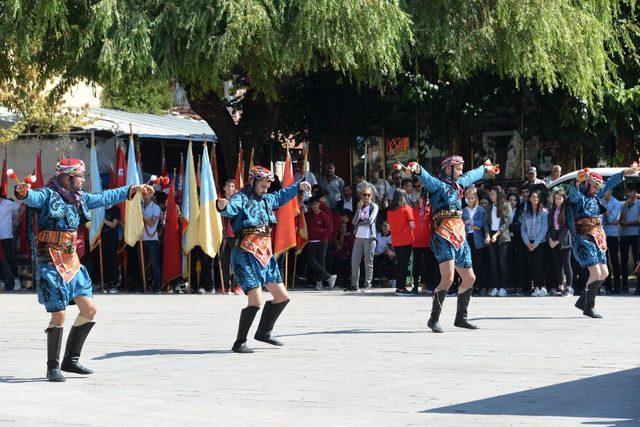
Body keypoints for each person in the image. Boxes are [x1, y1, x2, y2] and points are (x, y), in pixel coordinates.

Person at [14, 158, 152, 382]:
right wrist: (22, 192)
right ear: (68, 177)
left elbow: (105, 197)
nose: (82, 181)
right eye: (80, 176)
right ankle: (53, 367)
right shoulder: (48, 194)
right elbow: (31, 197)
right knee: (58, 313)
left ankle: (71, 360)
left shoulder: (80, 198)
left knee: (89, 310)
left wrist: (132, 189)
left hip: (71, 259)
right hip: (49, 259)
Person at [216, 165, 311, 353]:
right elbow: (230, 208)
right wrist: (223, 206)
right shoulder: (240, 198)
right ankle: (239, 342)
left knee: (282, 296)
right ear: (252, 182)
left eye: (268, 183)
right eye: (263, 183)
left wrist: (299, 186)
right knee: (256, 300)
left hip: (266, 255)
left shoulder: (268, 199)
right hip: (245, 254)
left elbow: (282, 195)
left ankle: (264, 332)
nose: (266, 186)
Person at [405, 156, 498, 332]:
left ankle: (461, 318)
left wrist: (486, 168)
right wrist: (417, 168)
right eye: (459, 168)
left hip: (459, 234)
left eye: (462, 168)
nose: (462, 171)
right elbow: (426, 178)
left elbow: (472, 175)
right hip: (443, 235)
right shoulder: (438, 185)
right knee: (447, 278)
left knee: (470, 278)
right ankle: (434, 319)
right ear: (448, 169)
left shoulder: (460, 183)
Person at [567, 166, 636, 317]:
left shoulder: (597, 196)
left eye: (599, 186)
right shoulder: (579, 197)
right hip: (584, 237)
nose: (597, 188)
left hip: (598, 235)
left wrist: (624, 173)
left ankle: (583, 300)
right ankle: (589, 307)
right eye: (594, 185)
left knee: (604, 273)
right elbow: (572, 193)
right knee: (595, 272)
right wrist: (578, 181)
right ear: (587, 184)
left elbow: (610, 183)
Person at [346, 187, 379, 292]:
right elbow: (353, 221)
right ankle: (354, 284)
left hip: (369, 237)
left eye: (368, 195)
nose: (366, 197)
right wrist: (359, 209)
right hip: (358, 237)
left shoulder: (374, 206)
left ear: (371, 196)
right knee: (354, 261)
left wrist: (359, 223)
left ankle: (367, 284)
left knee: (368, 262)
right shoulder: (360, 207)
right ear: (361, 196)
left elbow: (370, 220)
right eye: (364, 195)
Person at [484, 186, 512, 297]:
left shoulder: (506, 206)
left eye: (493, 194)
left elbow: (507, 222)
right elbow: (486, 222)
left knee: (502, 263)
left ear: (498, 194)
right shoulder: (489, 207)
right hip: (491, 237)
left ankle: (503, 287)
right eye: (490, 194)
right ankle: (495, 286)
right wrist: (487, 234)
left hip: (502, 238)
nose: (491, 196)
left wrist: (496, 234)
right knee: (493, 263)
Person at [304, 196, 337, 290]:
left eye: (316, 204)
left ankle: (319, 282)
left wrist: (318, 231)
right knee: (311, 260)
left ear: (319, 204)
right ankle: (329, 277)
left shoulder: (323, 215)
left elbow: (329, 229)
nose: (314, 206)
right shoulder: (307, 215)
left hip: (322, 241)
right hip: (311, 241)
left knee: (321, 261)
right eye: (312, 204)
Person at [521, 190, 549, 296]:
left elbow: (544, 228)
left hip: (540, 242)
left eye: (537, 197)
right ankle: (536, 286)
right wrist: (528, 243)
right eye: (533, 197)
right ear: (529, 199)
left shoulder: (544, 212)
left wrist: (536, 243)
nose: (535, 199)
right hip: (529, 242)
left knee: (539, 265)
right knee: (532, 265)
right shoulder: (526, 213)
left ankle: (543, 286)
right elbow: (523, 229)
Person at [386, 189, 414, 295]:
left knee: (399, 264)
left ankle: (399, 287)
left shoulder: (390, 210)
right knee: (404, 264)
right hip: (406, 239)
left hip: (396, 240)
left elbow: (389, 226)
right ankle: (401, 288)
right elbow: (412, 225)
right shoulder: (407, 208)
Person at [547, 189, 573, 296]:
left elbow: (567, 228)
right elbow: (549, 227)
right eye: (556, 198)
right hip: (553, 238)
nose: (558, 200)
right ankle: (560, 287)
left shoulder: (567, 210)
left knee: (567, 264)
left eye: (560, 198)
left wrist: (558, 241)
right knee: (558, 265)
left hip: (564, 240)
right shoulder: (551, 210)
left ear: (563, 199)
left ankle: (569, 288)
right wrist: (550, 239)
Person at [220, 179, 242, 295]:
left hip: (235, 236)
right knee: (224, 261)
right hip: (224, 237)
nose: (230, 188)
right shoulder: (220, 202)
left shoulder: (237, 201)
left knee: (236, 262)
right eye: (228, 186)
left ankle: (238, 286)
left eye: (232, 186)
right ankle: (226, 286)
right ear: (224, 188)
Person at [0, 195, 23, 291]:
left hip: (7, 236)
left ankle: (17, 281)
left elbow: (22, 207)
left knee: (10, 259)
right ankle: (2, 282)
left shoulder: (7, 203)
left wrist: (15, 220)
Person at [411, 188, 433, 294]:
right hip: (416, 243)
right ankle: (415, 286)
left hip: (428, 243)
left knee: (429, 265)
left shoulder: (431, 212)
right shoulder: (413, 211)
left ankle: (428, 285)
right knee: (416, 265)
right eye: (422, 198)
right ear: (419, 199)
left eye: (427, 199)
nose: (424, 201)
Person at [601, 189, 622, 294]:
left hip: (612, 234)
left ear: (611, 191)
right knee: (605, 260)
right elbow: (604, 220)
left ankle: (617, 285)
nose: (604, 193)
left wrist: (605, 210)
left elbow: (611, 219)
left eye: (606, 191)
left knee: (614, 260)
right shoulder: (601, 201)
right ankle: (608, 285)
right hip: (603, 235)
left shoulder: (616, 203)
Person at [618, 186, 639, 294]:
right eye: (628, 191)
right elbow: (621, 220)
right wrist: (626, 205)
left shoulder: (639, 204)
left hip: (636, 235)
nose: (630, 194)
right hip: (624, 235)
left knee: (637, 260)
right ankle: (624, 285)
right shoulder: (624, 205)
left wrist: (627, 224)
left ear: (635, 192)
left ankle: (638, 287)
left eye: (632, 191)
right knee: (624, 261)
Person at [142, 190, 162, 293]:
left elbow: (151, 223)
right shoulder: (140, 207)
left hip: (152, 240)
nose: (145, 196)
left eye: (147, 194)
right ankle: (143, 285)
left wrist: (142, 216)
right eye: (143, 194)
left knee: (154, 265)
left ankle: (156, 286)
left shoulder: (156, 208)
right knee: (142, 264)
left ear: (152, 195)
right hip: (141, 239)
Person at [101, 205, 121, 293]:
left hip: (112, 238)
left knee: (112, 260)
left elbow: (113, 224)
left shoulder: (115, 209)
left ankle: (115, 283)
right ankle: (107, 283)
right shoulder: (101, 209)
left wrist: (102, 220)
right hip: (103, 237)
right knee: (105, 261)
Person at [373, 220, 396, 288]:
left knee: (388, 261)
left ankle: (390, 280)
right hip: (376, 255)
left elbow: (388, 249)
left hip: (387, 255)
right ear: (381, 227)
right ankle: (376, 281)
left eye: (387, 226)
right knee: (376, 260)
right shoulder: (377, 235)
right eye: (384, 226)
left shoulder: (392, 236)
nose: (385, 227)